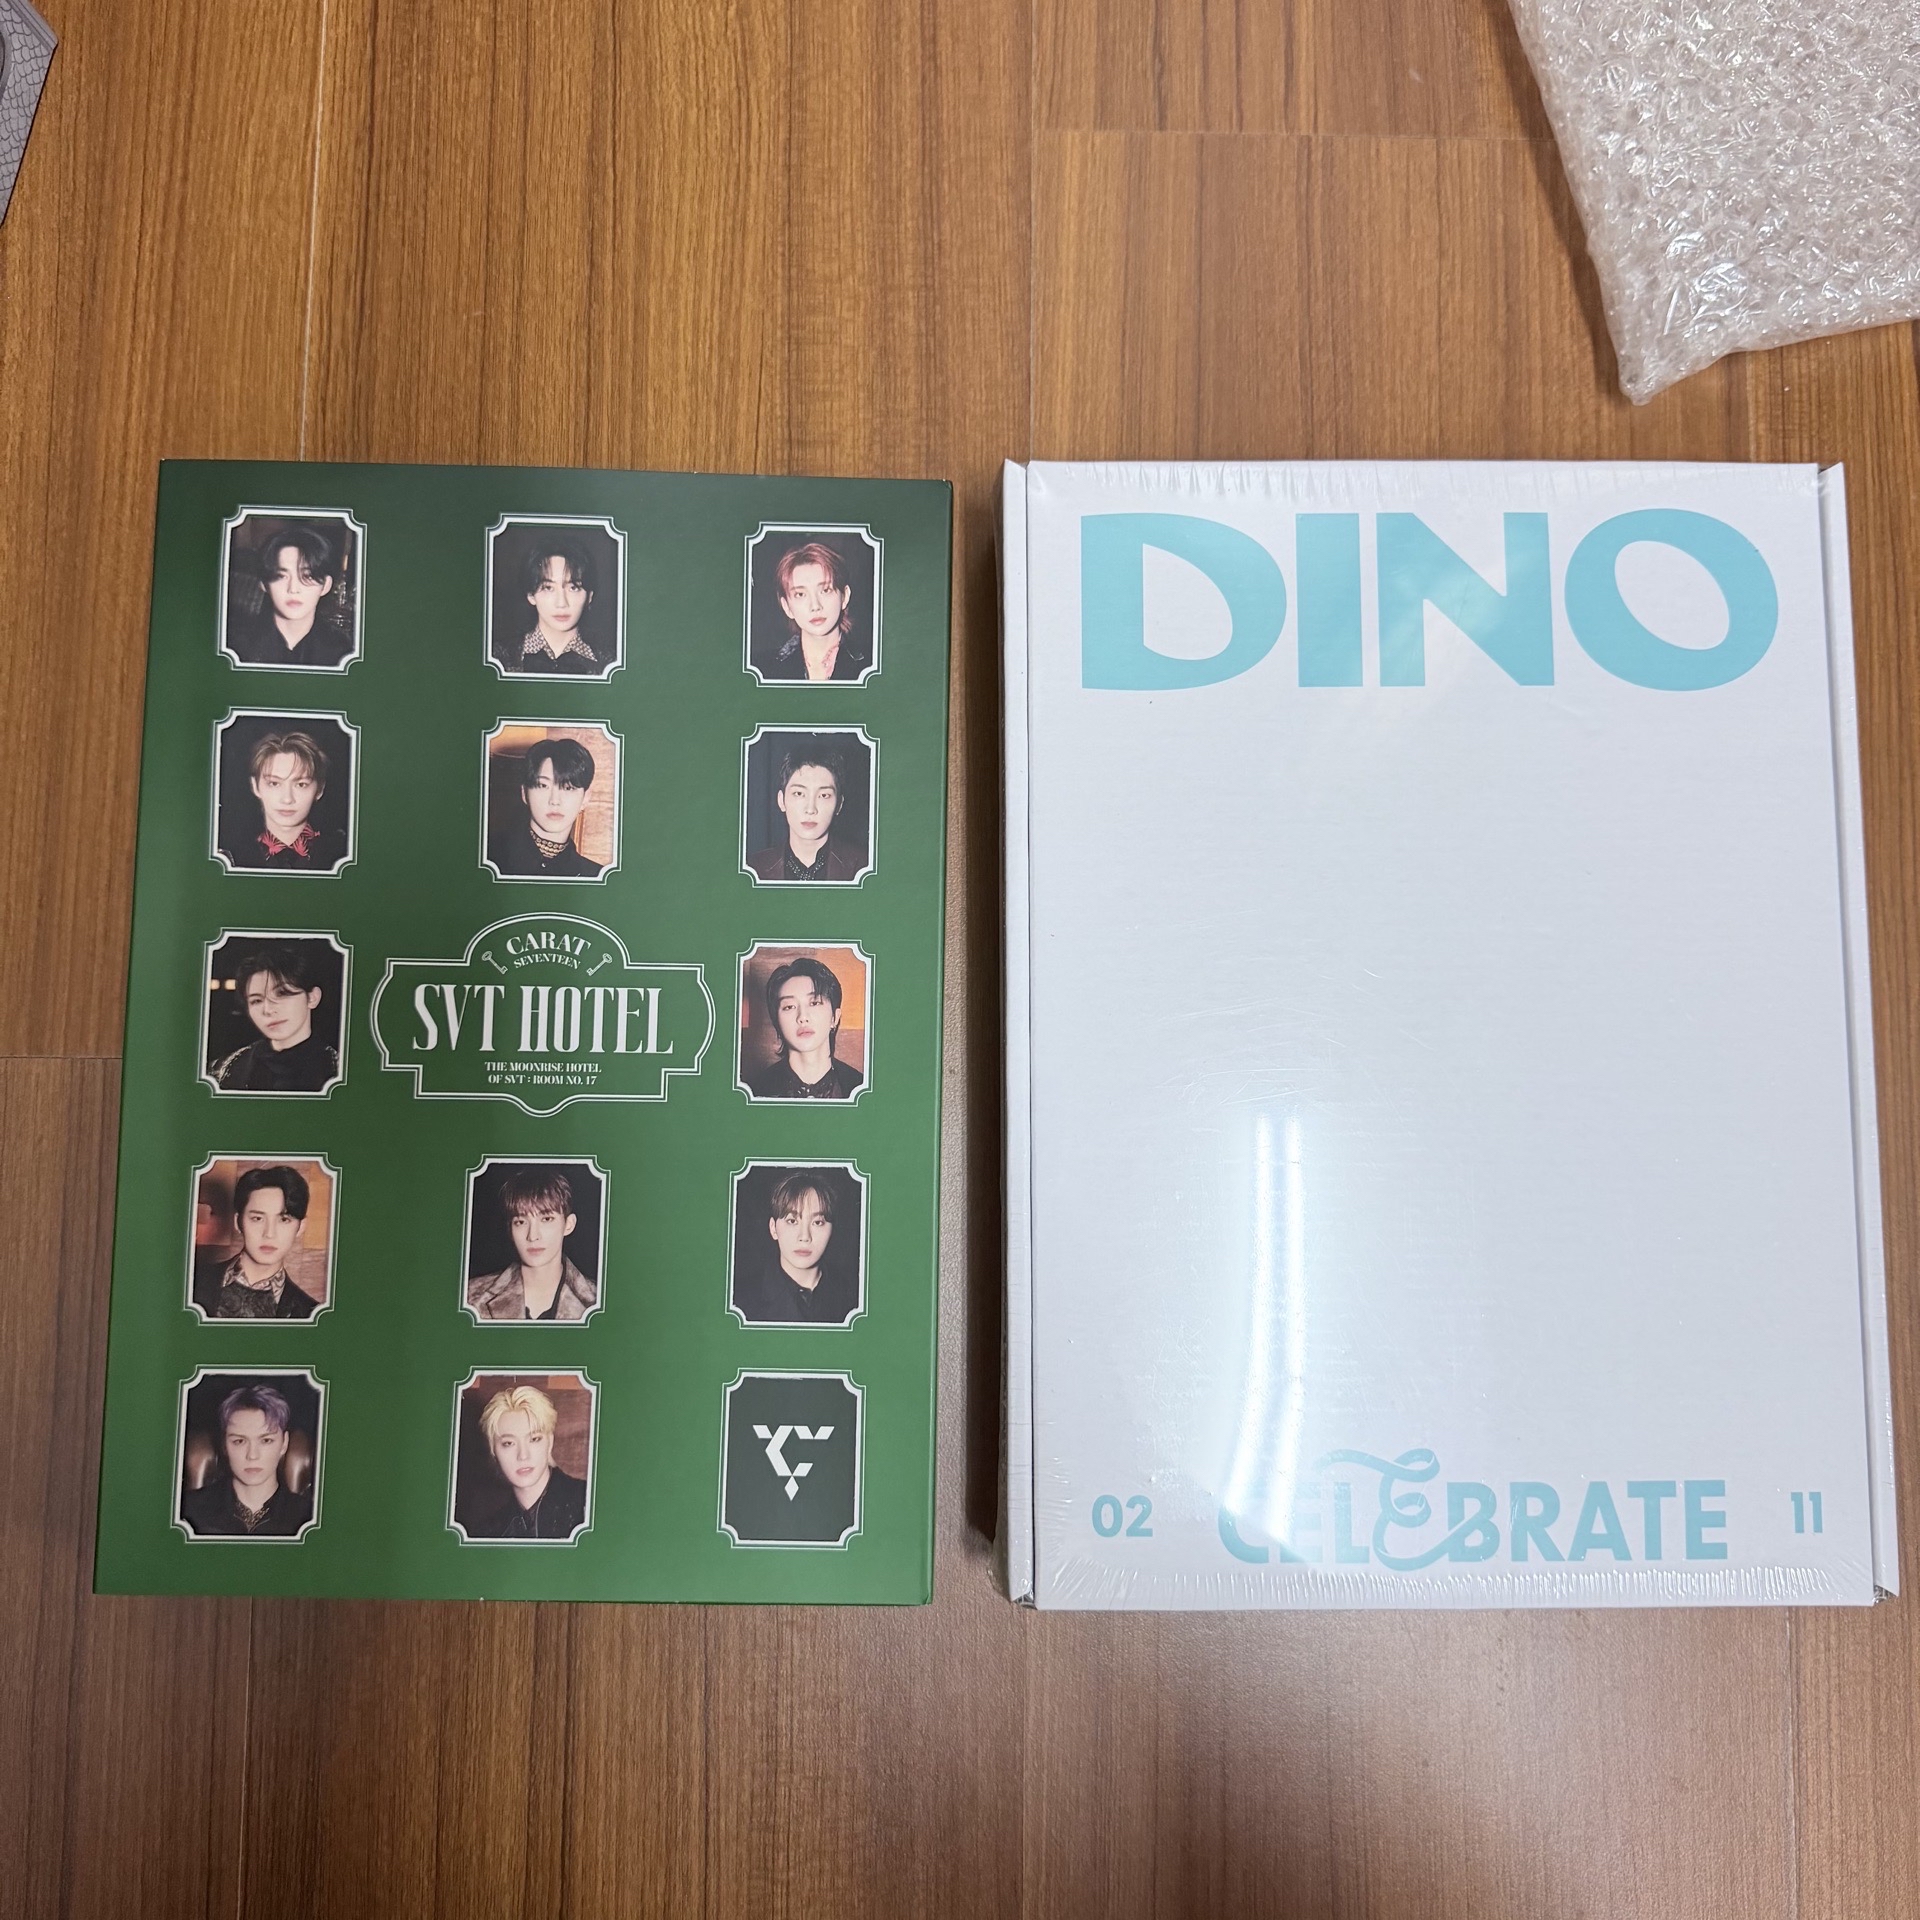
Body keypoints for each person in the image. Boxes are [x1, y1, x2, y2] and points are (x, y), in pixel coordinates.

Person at [179, 1383, 314, 1536]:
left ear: (284, 1443)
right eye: (239, 1441)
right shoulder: (187, 1510)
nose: (252, 1455)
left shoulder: (309, 1516)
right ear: (224, 1444)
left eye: (266, 1440)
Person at [467, 1168, 598, 1321]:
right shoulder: (472, 1297)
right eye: (520, 1222)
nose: (533, 1236)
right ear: (510, 1229)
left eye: (546, 1219)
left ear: (568, 1225)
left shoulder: (598, 1301)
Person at [193, 1165, 323, 1319]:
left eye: (284, 1220)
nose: (269, 1234)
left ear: (300, 1227)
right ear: (238, 1222)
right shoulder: (193, 1280)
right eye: (257, 1218)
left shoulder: (311, 1313)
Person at [209, 943, 342, 1093]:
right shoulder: (224, 1071)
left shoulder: (340, 1069)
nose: (268, 1010)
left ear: (312, 998)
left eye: (282, 993)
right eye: (256, 1001)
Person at [466, 1383, 588, 1541]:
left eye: (534, 1439)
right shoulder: (487, 1532)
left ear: (550, 1442)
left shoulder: (588, 1501)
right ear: (493, 1450)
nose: (523, 1455)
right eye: (508, 1443)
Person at [735, 1170, 857, 1324]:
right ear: (773, 1228)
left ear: (832, 1230)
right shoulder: (740, 1300)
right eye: (792, 1221)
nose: (804, 1237)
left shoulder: (853, 1296)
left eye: (818, 1222)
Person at [227, 523, 354, 668]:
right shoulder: (236, 645)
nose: (293, 589)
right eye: (281, 576)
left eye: (307, 576)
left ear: (326, 585)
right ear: (264, 583)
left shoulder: (343, 651)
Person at [221, 729, 348, 871]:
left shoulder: (345, 852)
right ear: (255, 786)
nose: (287, 799)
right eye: (274, 783)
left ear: (319, 789)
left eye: (301, 784)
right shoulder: (229, 855)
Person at [745, 955, 864, 1099]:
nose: (802, 1017)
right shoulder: (754, 1092)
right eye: (789, 1007)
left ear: (835, 1017)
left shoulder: (861, 1088)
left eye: (814, 1003)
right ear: (777, 1021)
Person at [747, 738, 866, 882]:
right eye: (799, 794)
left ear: (839, 804)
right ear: (781, 800)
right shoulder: (753, 869)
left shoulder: (864, 867)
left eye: (823, 795)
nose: (810, 809)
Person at [488, 737, 605, 878]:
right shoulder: (488, 858)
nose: (555, 801)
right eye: (543, 785)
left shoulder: (596, 875)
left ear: (585, 798)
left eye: (568, 787)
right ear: (524, 793)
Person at [761, 540, 871, 681]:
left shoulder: (872, 664)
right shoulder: (764, 669)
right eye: (800, 594)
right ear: (787, 606)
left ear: (844, 596)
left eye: (825, 590)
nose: (815, 606)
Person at [505, 537, 605, 674]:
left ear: (589, 597)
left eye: (573, 588)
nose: (561, 603)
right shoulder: (500, 657)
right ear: (531, 595)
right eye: (548, 588)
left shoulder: (608, 662)